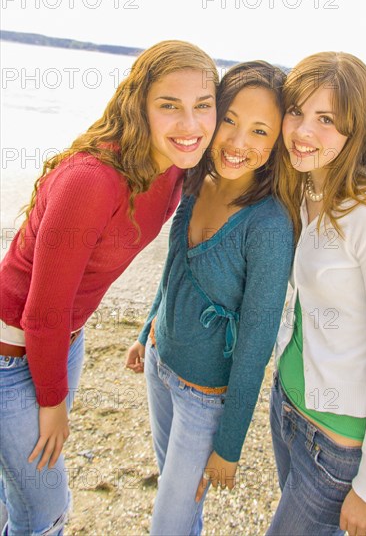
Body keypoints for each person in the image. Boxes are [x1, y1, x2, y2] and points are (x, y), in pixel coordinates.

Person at [0, 40, 218, 535]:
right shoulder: (92, 181)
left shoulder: (174, 165)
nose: (190, 124)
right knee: (44, 510)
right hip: (13, 353)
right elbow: (42, 312)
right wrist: (53, 405)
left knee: (12, 493)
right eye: (170, 106)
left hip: (61, 343)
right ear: (139, 104)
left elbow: (241, 163)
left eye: (203, 106)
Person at [126, 60, 294, 535]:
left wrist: (231, 444)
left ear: (276, 142)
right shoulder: (197, 178)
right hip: (159, 365)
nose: (239, 143)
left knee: (169, 522)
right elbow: (174, 268)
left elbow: (257, 342)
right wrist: (146, 331)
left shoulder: (269, 227)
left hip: (206, 397)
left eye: (260, 131)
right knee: (174, 497)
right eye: (230, 121)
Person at [267, 51, 366, 536]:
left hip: (334, 443)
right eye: (297, 112)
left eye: (327, 119)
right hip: (287, 406)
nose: (303, 131)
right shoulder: (309, 191)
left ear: (356, 131)